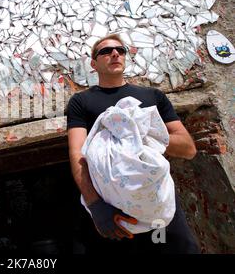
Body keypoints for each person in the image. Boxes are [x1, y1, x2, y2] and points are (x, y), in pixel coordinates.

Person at [67, 33, 200, 254]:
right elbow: (77, 155)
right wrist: (95, 205)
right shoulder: (81, 102)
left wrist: (140, 136)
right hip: (114, 209)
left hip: (157, 203)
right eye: (106, 51)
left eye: (120, 50)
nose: (115, 54)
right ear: (93, 63)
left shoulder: (152, 97)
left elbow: (188, 148)